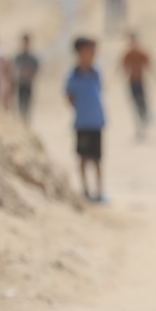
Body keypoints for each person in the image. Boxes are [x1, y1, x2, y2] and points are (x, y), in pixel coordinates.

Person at [65, 37, 106, 202]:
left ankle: (99, 191)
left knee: (97, 158)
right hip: (82, 122)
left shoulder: (96, 72)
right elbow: (69, 97)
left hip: (97, 121)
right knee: (82, 157)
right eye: (89, 50)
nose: (93, 54)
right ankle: (85, 190)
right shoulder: (73, 75)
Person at [121, 32, 153, 139]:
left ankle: (144, 119)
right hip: (132, 83)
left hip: (141, 82)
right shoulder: (127, 55)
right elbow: (124, 68)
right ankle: (139, 126)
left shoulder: (141, 54)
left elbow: (149, 66)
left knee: (142, 102)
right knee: (135, 104)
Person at [13, 33, 40, 123]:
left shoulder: (32, 58)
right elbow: (15, 70)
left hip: (28, 84)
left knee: (28, 106)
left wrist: (26, 73)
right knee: (20, 105)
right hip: (20, 84)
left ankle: (27, 123)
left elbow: (34, 72)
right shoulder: (18, 57)